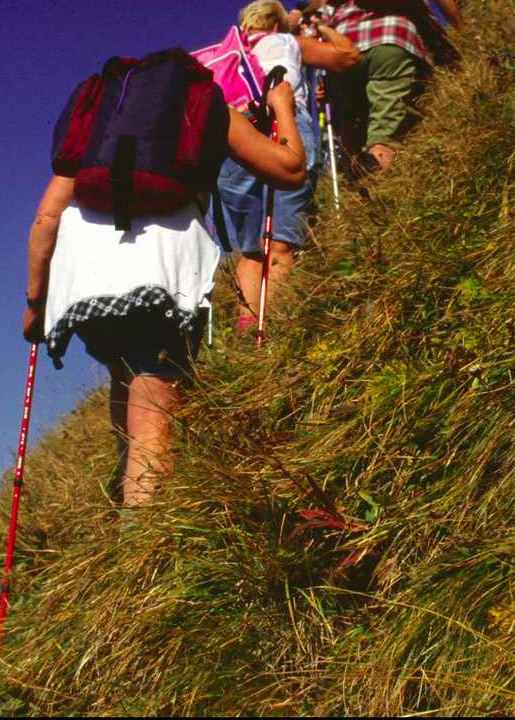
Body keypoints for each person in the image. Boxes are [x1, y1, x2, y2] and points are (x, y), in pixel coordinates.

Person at [22, 76, 305, 508]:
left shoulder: (101, 121)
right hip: (161, 272)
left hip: (83, 280)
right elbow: (289, 170)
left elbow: (46, 219)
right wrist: (282, 105)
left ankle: (128, 492)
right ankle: (143, 542)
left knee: (122, 373)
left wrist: (35, 304)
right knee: (154, 416)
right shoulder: (206, 108)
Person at [217, 0, 358, 331]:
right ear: (277, 24)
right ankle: (276, 332)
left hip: (233, 140)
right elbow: (347, 57)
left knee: (252, 251)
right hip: (282, 128)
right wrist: (319, 25)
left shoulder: (231, 52)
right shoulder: (285, 40)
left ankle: (248, 335)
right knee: (279, 242)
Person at [302, 0, 462, 175]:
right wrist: (462, 33)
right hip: (394, 44)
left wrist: (315, 34)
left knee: (355, 113)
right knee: (383, 133)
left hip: (346, 51)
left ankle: (350, 186)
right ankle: (379, 195)